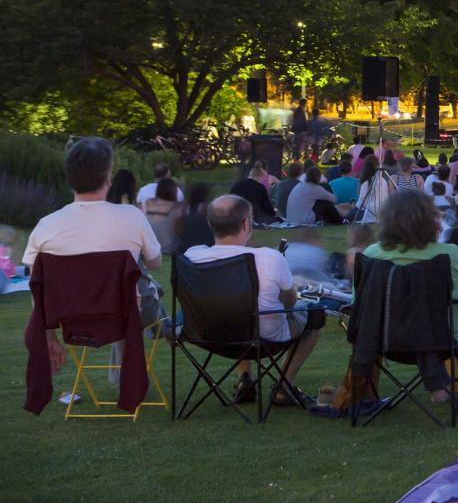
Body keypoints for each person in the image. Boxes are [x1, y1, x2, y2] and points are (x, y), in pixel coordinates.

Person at [23, 137, 164, 386]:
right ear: (108, 176)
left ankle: (122, 373)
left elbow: (37, 288)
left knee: (123, 291)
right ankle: (160, 337)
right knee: (135, 287)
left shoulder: (45, 226)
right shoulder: (131, 217)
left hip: (72, 320)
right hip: (126, 315)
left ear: (69, 177)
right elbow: (155, 263)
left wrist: (47, 334)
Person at [184, 195, 323, 408]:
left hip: (209, 334)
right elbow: (290, 301)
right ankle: (283, 386)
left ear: (210, 224)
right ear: (246, 223)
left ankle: (245, 378)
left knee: (233, 309)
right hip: (266, 337)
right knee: (314, 316)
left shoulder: (192, 257)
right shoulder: (269, 258)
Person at [361, 189, 458, 404]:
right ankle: (438, 383)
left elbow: (359, 304)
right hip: (443, 339)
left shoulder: (372, 255)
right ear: (431, 219)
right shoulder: (451, 254)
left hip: (384, 338)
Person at [174, 183, 215, 253]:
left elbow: (178, 231)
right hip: (207, 246)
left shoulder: (183, 209)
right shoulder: (208, 208)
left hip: (187, 247)